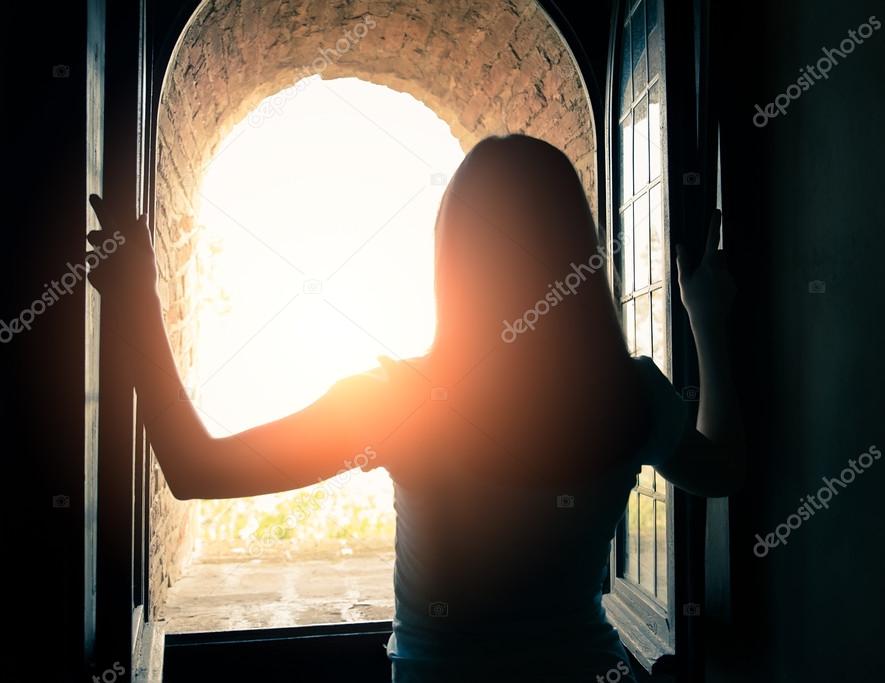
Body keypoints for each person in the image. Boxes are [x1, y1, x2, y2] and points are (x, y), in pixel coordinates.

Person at [87, 134, 744, 682]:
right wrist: (708, 321)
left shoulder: (399, 401)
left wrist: (137, 305)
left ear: (454, 255)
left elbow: (197, 469)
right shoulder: (629, 394)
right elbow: (720, 473)